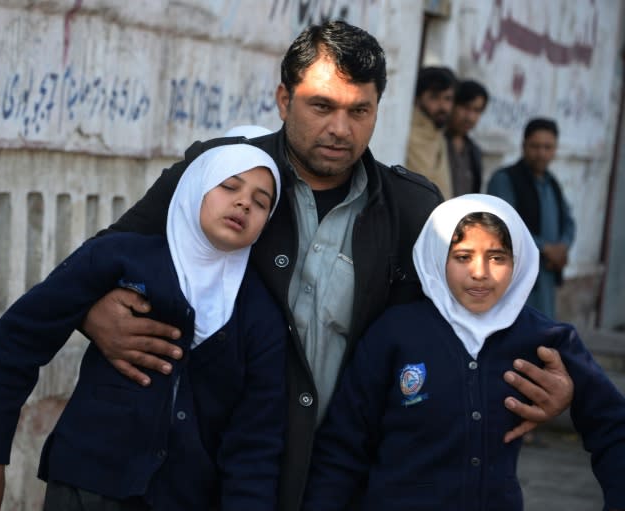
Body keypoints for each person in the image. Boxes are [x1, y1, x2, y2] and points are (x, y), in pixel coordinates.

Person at [81, 21, 574, 511]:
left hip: (331, 482)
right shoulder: (222, 176)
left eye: (360, 110)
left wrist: (549, 381)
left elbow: (473, 319)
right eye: (322, 106)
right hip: (189, 472)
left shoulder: (414, 212)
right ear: (283, 99)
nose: (341, 129)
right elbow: (104, 258)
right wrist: (95, 313)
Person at [0, 143, 288, 511]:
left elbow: (255, 442)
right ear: (196, 186)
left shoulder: (262, 316)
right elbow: (16, 339)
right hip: (86, 489)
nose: (243, 203)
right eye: (229, 186)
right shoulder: (120, 259)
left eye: (261, 202)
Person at [301, 194, 625, 511]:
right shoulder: (394, 333)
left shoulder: (543, 338)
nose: (480, 272)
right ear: (436, 256)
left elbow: (612, 426)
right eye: (462, 256)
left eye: (498, 257)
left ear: (519, 260)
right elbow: (342, 449)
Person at [487, 117, 575, 318]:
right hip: (515, 275)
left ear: (555, 149)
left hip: (547, 274)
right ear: (524, 145)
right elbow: (503, 224)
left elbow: (569, 221)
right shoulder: (505, 179)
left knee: (542, 331)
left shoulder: (552, 183)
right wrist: (545, 248)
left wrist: (563, 247)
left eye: (547, 147)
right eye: (535, 146)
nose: (541, 153)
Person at [405, 66, 458, 199]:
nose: (443, 106)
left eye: (447, 99)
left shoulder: (438, 135)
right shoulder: (407, 133)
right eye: (434, 97)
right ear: (418, 98)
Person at [445, 79, 489, 196]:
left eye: (476, 110)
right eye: (465, 107)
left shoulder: (474, 151)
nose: (470, 117)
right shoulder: (436, 141)